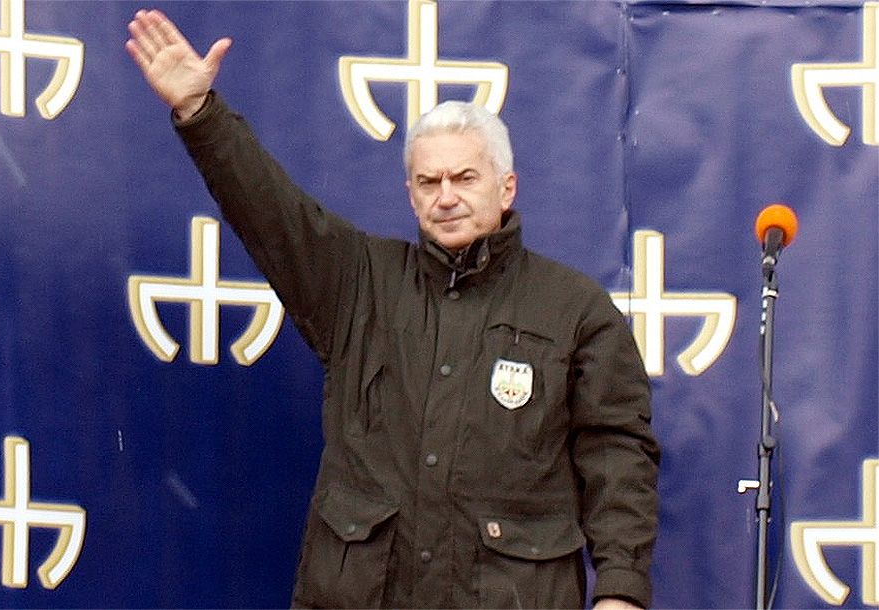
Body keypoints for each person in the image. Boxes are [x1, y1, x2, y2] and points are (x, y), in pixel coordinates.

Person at [126, 8, 660, 609]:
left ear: (506, 186)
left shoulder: (576, 309)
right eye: (429, 182)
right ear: (410, 193)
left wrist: (621, 589)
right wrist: (202, 115)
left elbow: (617, 455)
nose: (447, 197)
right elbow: (270, 212)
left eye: (464, 177)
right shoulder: (358, 283)